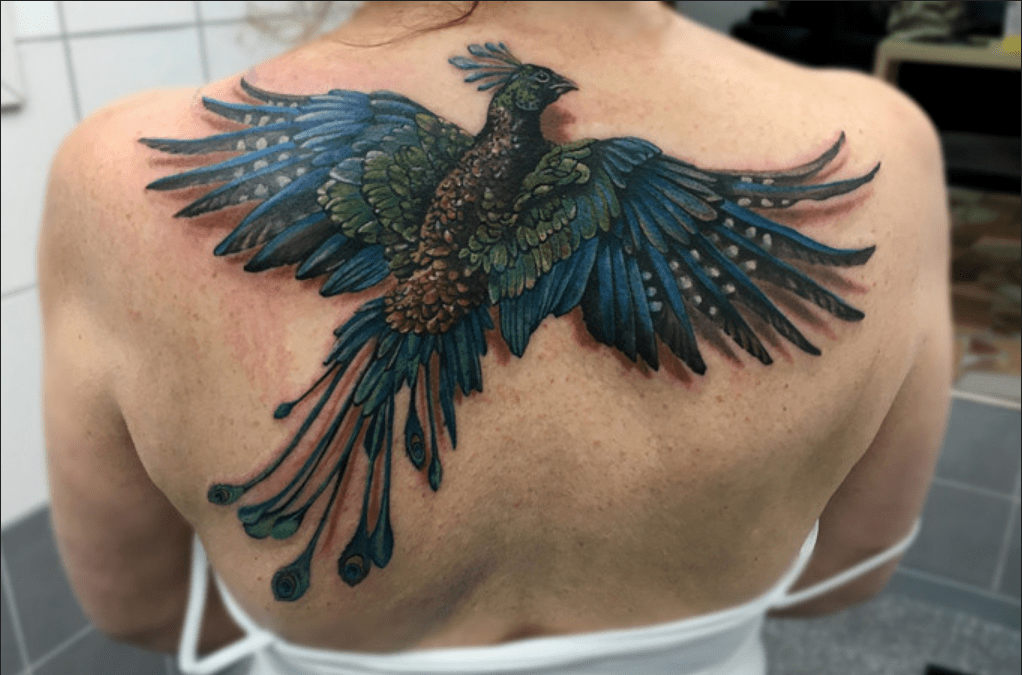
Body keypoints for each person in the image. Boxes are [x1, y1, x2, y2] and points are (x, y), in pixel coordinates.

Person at [38, 2, 952, 673]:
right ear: (524, 111)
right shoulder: (892, 147)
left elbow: (143, 608)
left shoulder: (113, 168)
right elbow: (846, 579)